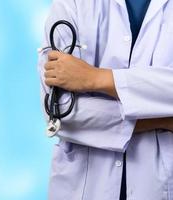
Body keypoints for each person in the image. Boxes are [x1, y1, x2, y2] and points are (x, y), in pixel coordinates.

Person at [38, 0, 173, 199]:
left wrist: (96, 78)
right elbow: (60, 112)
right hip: (84, 186)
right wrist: (161, 120)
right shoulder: (73, 4)